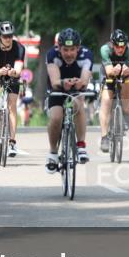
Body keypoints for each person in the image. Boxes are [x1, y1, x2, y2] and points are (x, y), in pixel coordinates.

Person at [45, 28, 93, 171]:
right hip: (57, 88)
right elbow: (54, 81)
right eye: (65, 49)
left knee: (78, 104)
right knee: (56, 117)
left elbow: (85, 79)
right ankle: (53, 152)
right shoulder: (52, 54)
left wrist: (80, 83)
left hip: (76, 88)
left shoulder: (86, 55)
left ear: (78, 48)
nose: (69, 53)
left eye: (72, 49)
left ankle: (81, 145)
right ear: (59, 47)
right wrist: (63, 82)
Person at [0, 20, 25, 157]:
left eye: (10, 36)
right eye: (5, 36)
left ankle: (12, 142)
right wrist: (0, 71)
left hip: (12, 75)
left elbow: (19, 70)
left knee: (12, 106)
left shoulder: (19, 48)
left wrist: (14, 72)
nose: (8, 39)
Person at [98, 29, 129, 153]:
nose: (120, 49)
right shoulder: (105, 49)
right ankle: (104, 137)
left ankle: (125, 112)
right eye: (117, 46)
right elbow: (109, 71)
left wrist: (126, 70)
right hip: (108, 73)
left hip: (124, 73)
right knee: (106, 101)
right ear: (112, 44)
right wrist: (114, 71)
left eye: (123, 46)